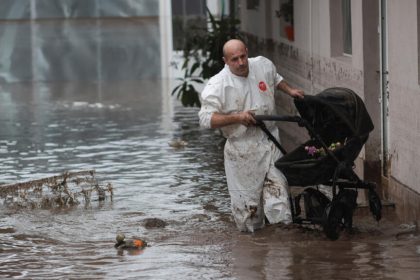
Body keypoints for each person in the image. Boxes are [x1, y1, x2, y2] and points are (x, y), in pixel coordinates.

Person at [198, 39, 304, 232]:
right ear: (225, 61)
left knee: (279, 199)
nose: (240, 63)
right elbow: (206, 119)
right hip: (241, 150)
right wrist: (237, 117)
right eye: (234, 59)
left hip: (270, 140)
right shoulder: (218, 84)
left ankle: (282, 250)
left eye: (243, 56)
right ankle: (251, 250)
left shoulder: (262, 64)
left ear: (247, 52)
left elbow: (276, 78)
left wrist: (291, 91)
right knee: (249, 212)